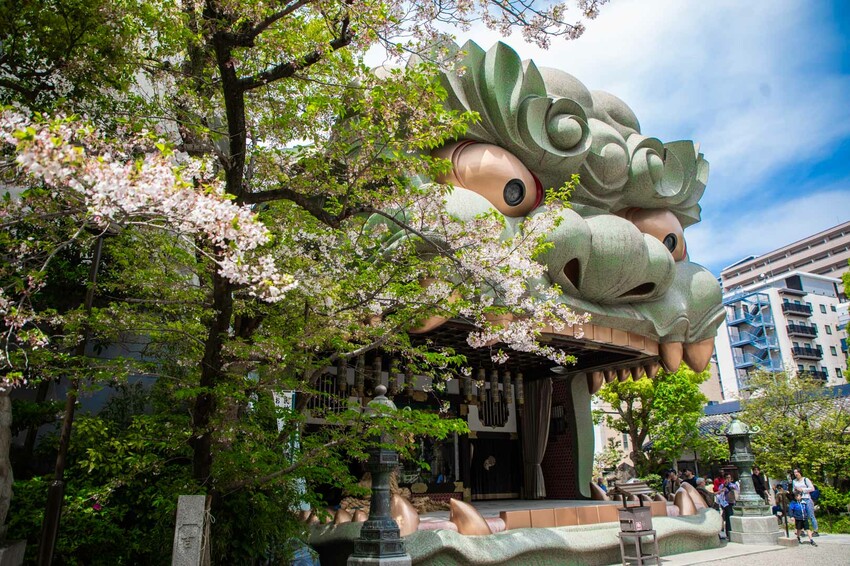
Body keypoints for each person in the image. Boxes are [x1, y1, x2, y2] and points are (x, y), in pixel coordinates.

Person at [791, 468, 818, 536]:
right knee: (800, 515)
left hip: (807, 498)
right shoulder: (794, 481)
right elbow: (793, 490)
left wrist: (802, 489)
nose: (796, 474)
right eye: (794, 472)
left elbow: (812, 488)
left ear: (800, 472)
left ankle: (815, 530)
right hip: (799, 499)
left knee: (811, 515)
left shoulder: (805, 479)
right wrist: (795, 491)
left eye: (797, 472)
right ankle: (801, 530)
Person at [716, 473, 739, 538]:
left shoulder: (733, 485)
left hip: (732, 502)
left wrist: (728, 486)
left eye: (729, 478)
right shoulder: (721, 486)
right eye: (726, 478)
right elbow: (720, 494)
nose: (728, 479)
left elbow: (735, 490)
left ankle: (733, 530)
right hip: (726, 503)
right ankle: (728, 532)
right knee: (728, 518)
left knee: (732, 517)